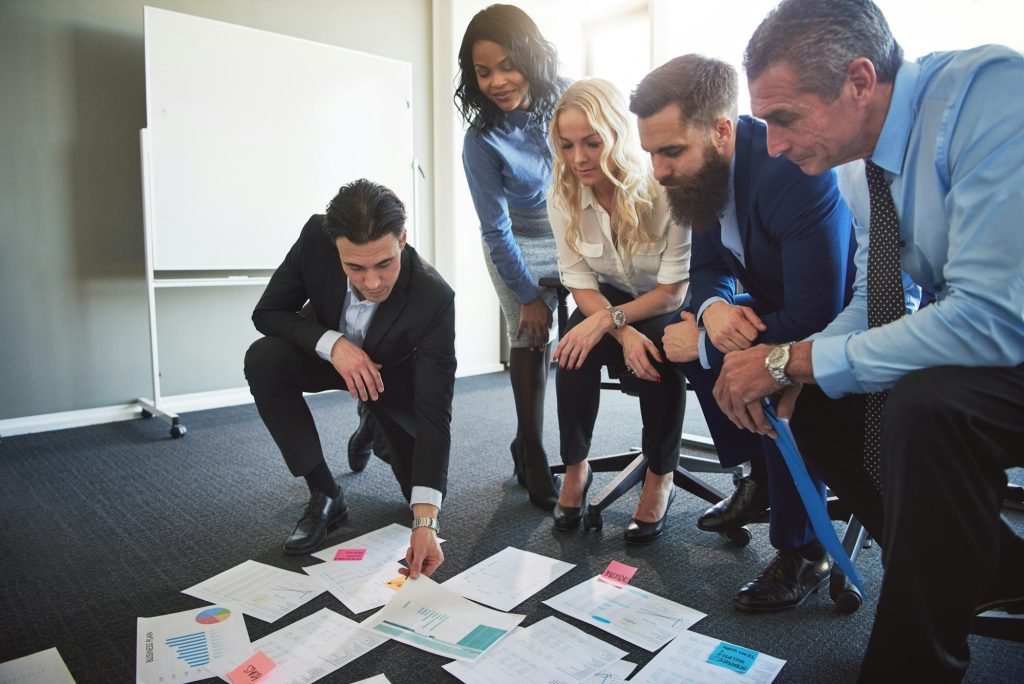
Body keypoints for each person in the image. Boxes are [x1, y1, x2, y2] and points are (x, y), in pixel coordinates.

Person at [711, 0, 1024, 679]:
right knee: (815, 400)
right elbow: (875, 301)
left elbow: (990, 317)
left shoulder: (992, 95)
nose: (773, 145)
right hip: (996, 348)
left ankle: (914, 663)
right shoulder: (858, 161)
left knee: (929, 405)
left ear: (858, 80)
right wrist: (796, 371)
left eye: (784, 119)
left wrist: (793, 355)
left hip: (1007, 334)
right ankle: (985, 564)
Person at [629, 55, 855, 609]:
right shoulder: (701, 178)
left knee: (743, 371)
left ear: (722, 130)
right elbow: (707, 267)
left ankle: (804, 552)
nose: (658, 170)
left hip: (840, 320)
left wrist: (711, 344)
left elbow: (814, 314)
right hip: (779, 300)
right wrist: (712, 315)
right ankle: (760, 477)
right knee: (681, 339)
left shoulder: (793, 174)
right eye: (651, 153)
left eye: (670, 151)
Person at [244, 179, 455, 580]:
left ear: (403, 241)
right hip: (327, 358)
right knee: (264, 358)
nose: (371, 282)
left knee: (413, 496)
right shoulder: (315, 237)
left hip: (389, 379)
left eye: (384, 264)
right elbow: (268, 313)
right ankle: (325, 494)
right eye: (354, 267)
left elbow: (435, 410)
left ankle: (372, 424)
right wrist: (334, 344)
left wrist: (426, 520)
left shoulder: (434, 297)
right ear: (335, 247)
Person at [547, 78, 691, 543]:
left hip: (661, 300)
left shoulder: (666, 190)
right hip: (604, 296)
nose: (579, 158)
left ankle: (660, 475)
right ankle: (576, 467)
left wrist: (618, 324)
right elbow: (579, 281)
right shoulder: (562, 195)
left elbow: (672, 290)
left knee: (658, 352)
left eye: (591, 142)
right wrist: (614, 326)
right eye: (567, 145)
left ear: (617, 135)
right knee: (572, 349)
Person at [455, 4, 568, 510]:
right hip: (517, 241)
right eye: (483, 72)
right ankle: (534, 448)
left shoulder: (569, 98)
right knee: (531, 335)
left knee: (584, 332)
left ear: (530, 57)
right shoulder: (480, 141)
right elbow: (495, 229)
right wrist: (529, 295)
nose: (497, 81)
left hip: (574, 235)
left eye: (507, 65)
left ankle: (554, 447)